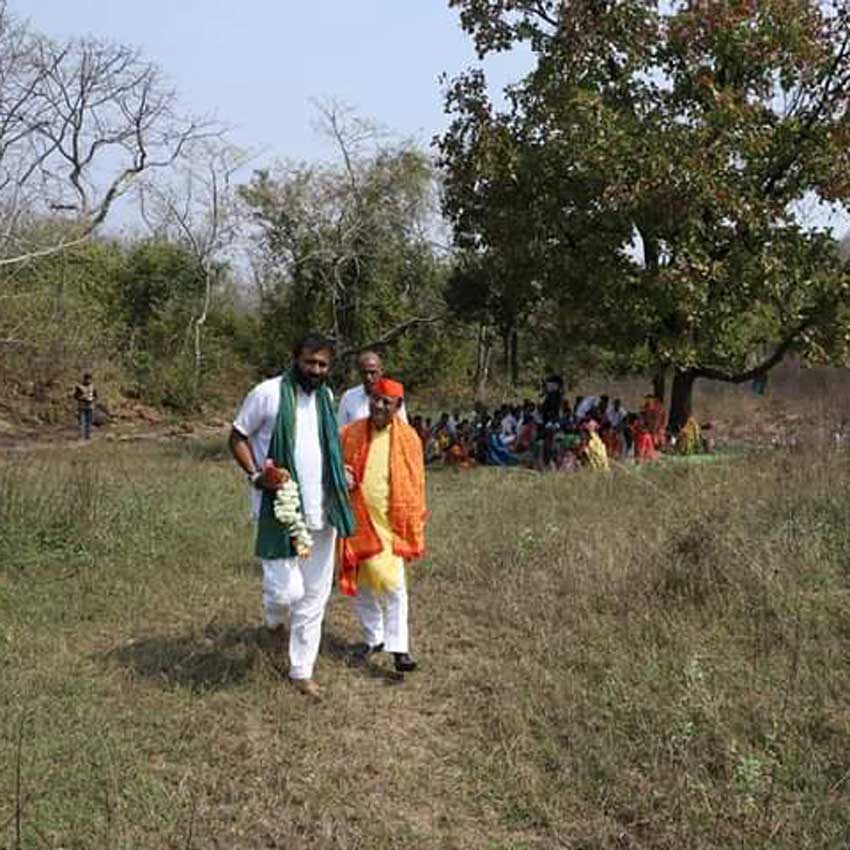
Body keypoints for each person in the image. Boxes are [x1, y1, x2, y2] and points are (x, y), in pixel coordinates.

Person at [229, 333, 355, 700]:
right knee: (287, 592)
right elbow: (236, 436)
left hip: (322, 510)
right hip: (280, 510)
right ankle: (273, 618)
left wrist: (340, 471)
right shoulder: (267, 393)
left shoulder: (326, 398)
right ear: (295, 359)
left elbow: (325, 445)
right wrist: (256, 476)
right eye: (309, 362)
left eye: (322, 364)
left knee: (314, 595)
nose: (315, 370)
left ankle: (302, 671)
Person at [339, 378, 427, 673]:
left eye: (385, 402)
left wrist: (414, 517)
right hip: (355, 518)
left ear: (398, 406)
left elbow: (416, 482)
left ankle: (399, 648)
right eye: (375, 399)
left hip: (391, 522)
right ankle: (374, 637)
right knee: (361, 582)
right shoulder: (350, 433)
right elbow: (335, 464)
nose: (378, 406)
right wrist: (343, 473)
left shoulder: (409, 439)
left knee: (393, 584)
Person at [337, 350, 407, 426]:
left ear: (381, 371)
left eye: (372, 372)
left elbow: (403, 427)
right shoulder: (348, 397)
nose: (368, 377)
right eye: (364, 373)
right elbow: (341, 429)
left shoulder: (393, 396)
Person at [73, 372, 97, 440]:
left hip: (90, 406)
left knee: (89, 421)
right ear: (84, 379)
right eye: (87, 379)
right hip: (82, 406)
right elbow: (75, 396)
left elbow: (96, 396)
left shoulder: (93, 387)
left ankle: (88, 435)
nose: (88, 380)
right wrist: (81, 397)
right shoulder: (79, 387)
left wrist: (93, 398)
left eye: (89, 379)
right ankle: (81, 435)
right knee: (82, 421)